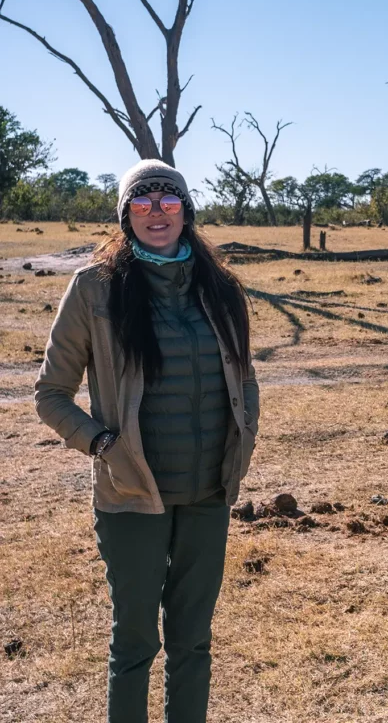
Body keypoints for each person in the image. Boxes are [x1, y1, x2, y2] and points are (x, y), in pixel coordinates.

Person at [35, 160, 259, 723]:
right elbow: (51, 394)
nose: (156, 212)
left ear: (186, 210)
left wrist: (244, 441)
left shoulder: (223, 287)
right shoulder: (95, 289)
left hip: (209, 491)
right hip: (132, 494)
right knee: (135, 642)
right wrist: (103, 445)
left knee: (193, 641)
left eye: (168, 200)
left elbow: (244, 377)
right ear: (125, 215)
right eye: (142, 202)